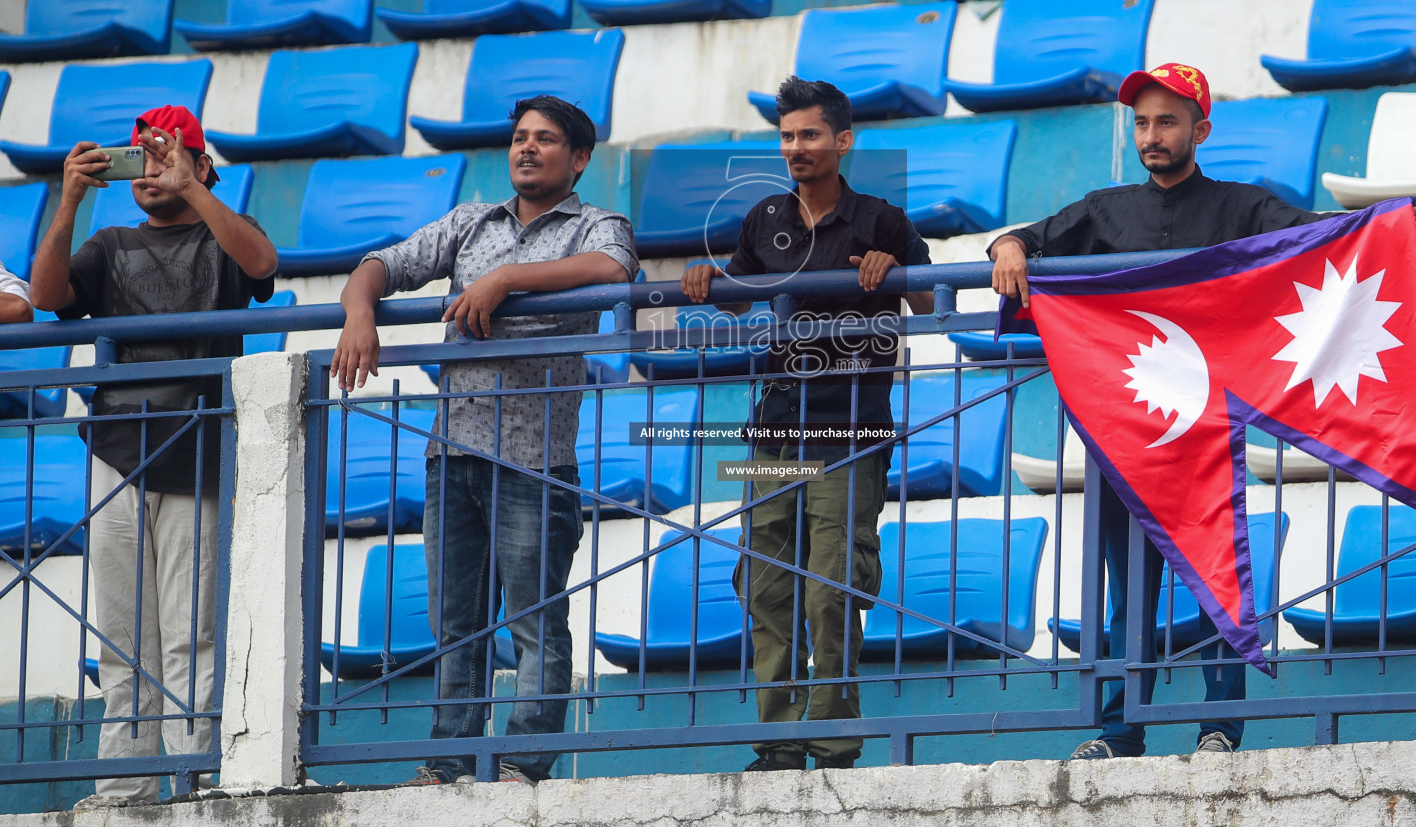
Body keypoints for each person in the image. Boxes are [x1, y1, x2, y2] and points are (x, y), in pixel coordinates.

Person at [989, 63, 1326, 760]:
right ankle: (1118, 733)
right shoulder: (1104, 208)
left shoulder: (1243, 206)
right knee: (1127, 591)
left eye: (1167, 121)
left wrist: (1377, 225)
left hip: (1204, 428)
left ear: (1200, 129)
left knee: (1215, 579)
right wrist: (1009, 246)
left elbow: (1314, 237)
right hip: (1122, 432)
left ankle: (1219, 729)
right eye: (1142, 122)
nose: (1152, 135)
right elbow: (1025, 237)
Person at [331, 95, 637, 786]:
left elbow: (614, 271)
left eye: (547, 139)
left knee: (533, 619)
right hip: (453, 451)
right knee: (456, 625)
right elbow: (382, 266)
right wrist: (358, 315)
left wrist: (505, 281)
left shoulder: (597, 223)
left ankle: (524, 763)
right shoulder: (471, 221)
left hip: (535, 458)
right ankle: (448, 761)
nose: (527, 148)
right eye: (521, 138)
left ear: (579, 158)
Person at [681, 76, 933, 772]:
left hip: (849, 434)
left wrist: (899, 271)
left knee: (831, 589)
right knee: (764, 586)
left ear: (843, 141)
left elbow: (935, 292)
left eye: (810, 135)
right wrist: (707, 280)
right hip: (773, 432)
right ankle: (781, 743)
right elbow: (737, 296)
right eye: (787, 136)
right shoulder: (764, 218)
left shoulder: (881, 218)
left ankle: (831, 743)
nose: (796, 147)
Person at [29, 106, 277, 808]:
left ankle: (189, 777)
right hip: (116, 447)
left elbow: (262, 265)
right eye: (141, 157)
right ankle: (124, 783)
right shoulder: (109, 242)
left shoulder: (228, 232)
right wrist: (70, 197)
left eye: (168, 155)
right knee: (122, 631)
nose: (151, 168)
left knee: (189, 632)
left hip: (195, 449)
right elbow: (48, 298)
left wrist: (194, 187)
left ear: (203, 166)